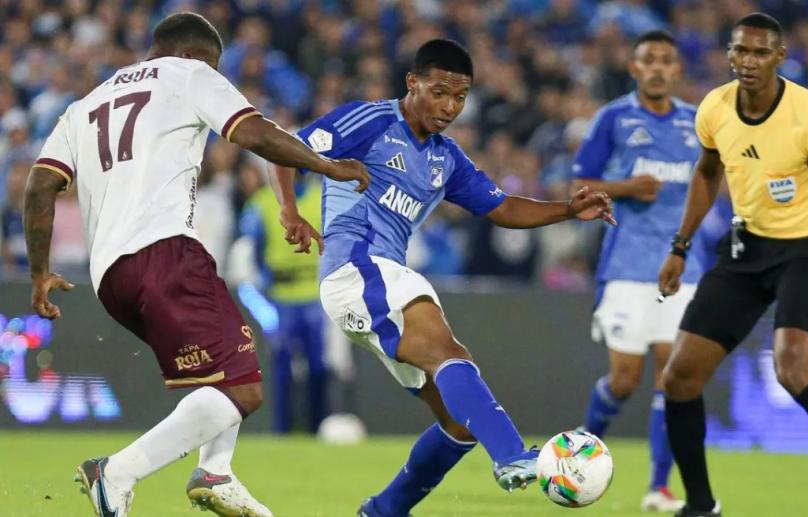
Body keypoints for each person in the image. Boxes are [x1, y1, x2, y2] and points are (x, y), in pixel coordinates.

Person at [23, 12, 369, 517]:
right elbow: (252, 132)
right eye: (213, 65)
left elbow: (39, 185)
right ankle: (116, 473)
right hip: (165, 251)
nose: (215, 75)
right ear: (192, 54)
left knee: (225, 363)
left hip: (111, 277)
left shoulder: (84, 105)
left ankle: (216, 471)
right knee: (245, 388)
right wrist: (325, 166)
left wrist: (39, 272)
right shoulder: (188, 73)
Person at [275, 39, 614, 517]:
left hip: (377, 281)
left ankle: (383, 510)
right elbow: (283, 147)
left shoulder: (446, 157)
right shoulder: (371, 121)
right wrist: (290, 211)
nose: (449, 107)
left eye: (459, 97)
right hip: (357, 267)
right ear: (412, 83)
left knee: (460, 420)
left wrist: (567, 210)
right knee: (451, 356)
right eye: (439, 93)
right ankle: (512, 455)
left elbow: (502, 208)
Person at [657, 13, 808, 517]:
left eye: (761, 52)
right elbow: (707, 172)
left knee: (793, 370)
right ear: (729, 54)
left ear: (780, 57)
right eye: (740, 51)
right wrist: (680, 245)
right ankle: (700, 506)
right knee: (679, 378)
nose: (749, 61)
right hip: (747, 248)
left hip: (807, 251)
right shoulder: (715, 108)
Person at [571, 29, 700, 513]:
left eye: (667, 60)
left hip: (684, 267)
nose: (658, 68)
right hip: (626, 264)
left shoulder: (696, 122)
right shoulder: (613, 118)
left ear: (677, 70)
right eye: (649, 60)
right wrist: (625, 187)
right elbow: (578, 185)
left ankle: (658, 487)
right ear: (635, 68)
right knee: (624, 380)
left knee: (672, 376)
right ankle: (580, 453)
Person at [239, 173, 330, 434]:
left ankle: (315, 426)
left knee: (318, 365)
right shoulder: (262, 202)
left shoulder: (320, 198)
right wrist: (264, 279)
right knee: (281, 364)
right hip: (280, 293)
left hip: (314, 291)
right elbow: (253, 245)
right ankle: (282, 428)